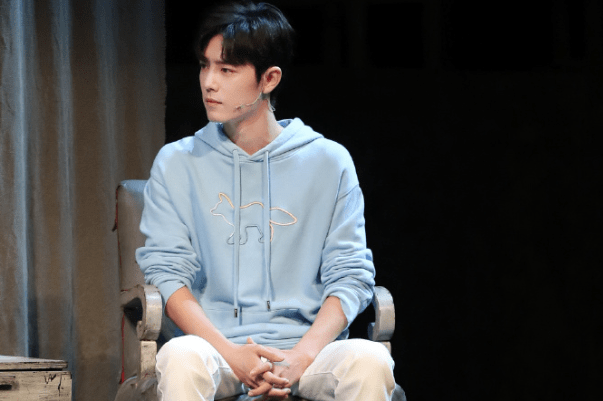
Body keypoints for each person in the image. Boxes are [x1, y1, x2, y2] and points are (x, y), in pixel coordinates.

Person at [136, 1, 396, 400]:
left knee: (370, 360)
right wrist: (232, 354)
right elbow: (167, 274)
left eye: (226, 70)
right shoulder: (177, 162)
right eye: (205, 66)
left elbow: (350, 275)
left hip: (308, 352)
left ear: (269, 79)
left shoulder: (329, 162)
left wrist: (300, 357)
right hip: (216, 349)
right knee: (181, 357)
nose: (209, 82)